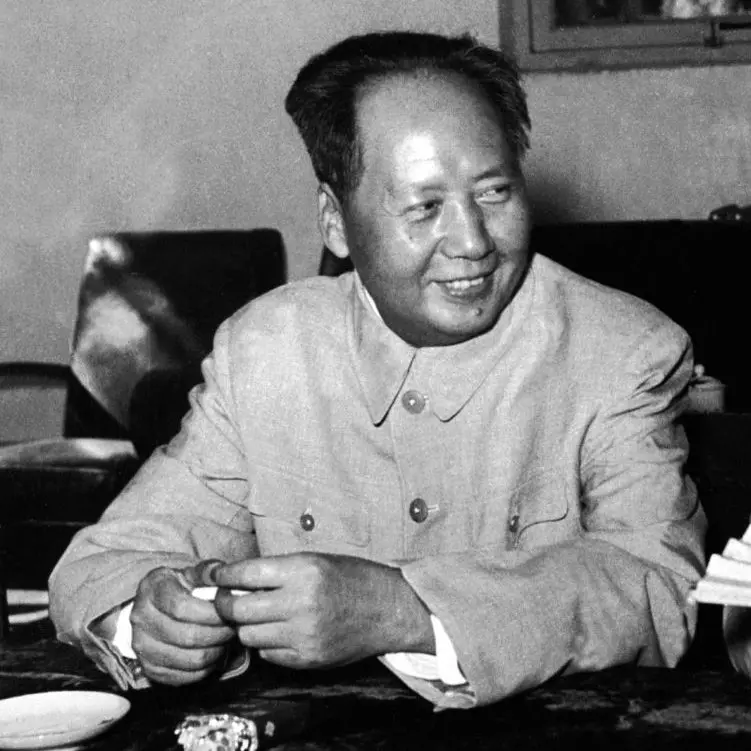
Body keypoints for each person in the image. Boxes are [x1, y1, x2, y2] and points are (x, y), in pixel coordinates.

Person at [49, 30, 707, 710]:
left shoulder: (621, 351)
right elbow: (100, 565)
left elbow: (662, 591)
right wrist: (149, 621)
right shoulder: (266, 352)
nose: (473, 242)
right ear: (335, 221)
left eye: (494, 193)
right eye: (424, 207)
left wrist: (404, 611)